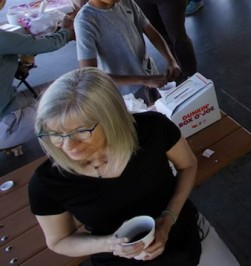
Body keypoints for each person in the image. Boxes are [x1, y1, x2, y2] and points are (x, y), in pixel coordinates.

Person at [28, 67, 201, 265]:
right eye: (56, 134)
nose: (68, 147)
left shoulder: (153, 129)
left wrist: (169, 218)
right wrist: (110, 245)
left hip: (181, 242)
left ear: (111, 118)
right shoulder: (46, 183)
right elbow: (59, 241)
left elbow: (188, 165)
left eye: (81, 131)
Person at [75, 0, 180, 104]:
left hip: (150, 77)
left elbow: (151, 32)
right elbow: (89, 75)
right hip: (126, 93)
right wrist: (143, 80)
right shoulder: (85, 21)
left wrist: (170, 60)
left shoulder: (125, 1)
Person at [0, 0, 74, 151]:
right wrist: (66, 30)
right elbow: (49, 43)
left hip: (6, 103)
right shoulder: (2, 38)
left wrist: (18, 66)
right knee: (72, 104)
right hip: (3, 121)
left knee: (64, 89)